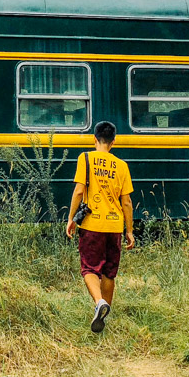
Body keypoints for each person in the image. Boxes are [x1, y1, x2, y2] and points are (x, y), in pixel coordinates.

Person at [65, 120, 135, 333]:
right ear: (113, 142)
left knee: (89, 268)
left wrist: (71, 219)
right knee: (109, 273)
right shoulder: (122, 166)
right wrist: (129, 230)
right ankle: (105, 318)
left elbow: (79, 191)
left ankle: (99, 303)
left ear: (94, 139)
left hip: (92, 224)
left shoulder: (85, 158)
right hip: (114, 226)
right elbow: (127, 202)